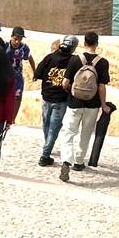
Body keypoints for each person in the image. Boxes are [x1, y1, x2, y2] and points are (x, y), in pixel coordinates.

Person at [58, 31, 111, 182]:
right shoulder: (103, 62)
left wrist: (71, 92)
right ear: (97, 43)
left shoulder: (75, 60)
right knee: (85, 133)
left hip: (74, 103)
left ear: (84, 42)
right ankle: (79, 162)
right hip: (92, 105)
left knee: (69, 133)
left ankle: (66, 161)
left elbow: (65, 83)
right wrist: (103, 105)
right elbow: (101, 87)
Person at [34, 35, 78, 165]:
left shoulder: (50, 57)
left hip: (47, 97)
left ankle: (48, 146)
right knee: (54, 128)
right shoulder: (74, 61)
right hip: (61, 99)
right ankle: (45, 155)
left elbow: (38, 73)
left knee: (46, 125)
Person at [6, 26, 36, 113]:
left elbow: (30, 59)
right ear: (11, 36)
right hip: (4, 75)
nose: (17, 41)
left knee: (17, 96)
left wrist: (34, 72)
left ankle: (13, 118)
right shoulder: (5, 46)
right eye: (15, 39)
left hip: (17, 76)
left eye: (20, 39)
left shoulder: (24, 48)